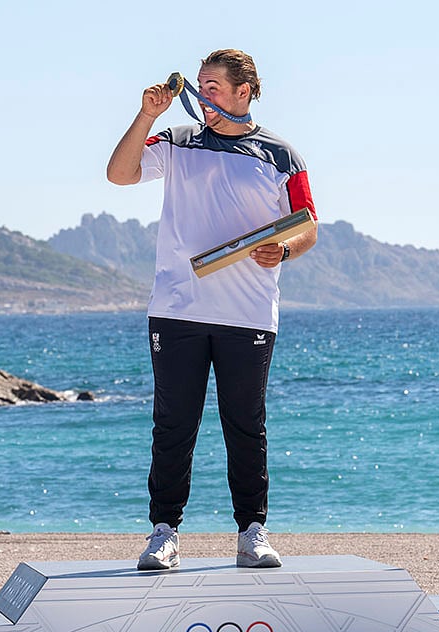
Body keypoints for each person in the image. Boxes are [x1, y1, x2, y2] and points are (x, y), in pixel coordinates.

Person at [107, 49, 318, 570]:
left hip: (247, 314)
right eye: (199, 86)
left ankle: (252, 531)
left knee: (245, 424)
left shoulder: (280, 154)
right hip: (177, 309)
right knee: (173, 424)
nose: (203, 97)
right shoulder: (177, 141)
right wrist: (147, 115)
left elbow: (307, 225)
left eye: (214, 87)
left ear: (244, 92)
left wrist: (285, 249)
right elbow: (119, 174)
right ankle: (163, 532)